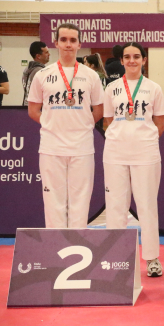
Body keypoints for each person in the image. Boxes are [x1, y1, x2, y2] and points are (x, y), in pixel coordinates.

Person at [27, 23, 104, 229]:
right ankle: (56, 251)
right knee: (53, 202)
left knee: (80, 202)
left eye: (72, 40)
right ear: (56, 43)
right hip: (52, 147)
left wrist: (85, 123)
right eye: (64, 40)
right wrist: (51, 123)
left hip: (82, 147)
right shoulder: (43, 75)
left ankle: (78, 248)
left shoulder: (91, 76)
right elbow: (33, 110)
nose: (68, 44)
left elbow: (99, 109)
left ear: (79, 44)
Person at [103, 42, 164, 277]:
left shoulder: (154, 88)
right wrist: (124, 138)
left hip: (146, 154)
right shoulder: (111, 88)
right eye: (127, 57)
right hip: (115, 153)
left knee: (147, 206)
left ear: (144, 60)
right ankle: (117, 257)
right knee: (116, 206)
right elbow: (108, 120)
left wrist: (141, 139)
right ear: (121, 61)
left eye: (137, 56)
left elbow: (159, 124)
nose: (132, 61)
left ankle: (151, 258)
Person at [22, 41, 50, 106]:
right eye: (46, 52)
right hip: (38, 107)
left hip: (26, 105)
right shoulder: (41, 71)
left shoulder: (27, 69)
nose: (49, 54)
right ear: (38, 56)